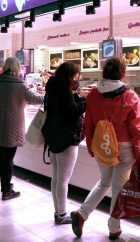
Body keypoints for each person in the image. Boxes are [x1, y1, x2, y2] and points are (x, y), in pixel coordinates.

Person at [71, 57, 140, 240]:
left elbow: (88, 122)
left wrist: (90, 146)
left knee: (105, 182)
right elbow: (137, 129)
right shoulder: (130, 96)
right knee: (118, 188)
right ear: (122, 74)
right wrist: (139, 154)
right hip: (124, 149)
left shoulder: (94, 94)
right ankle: (114, 228)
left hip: (100, 144)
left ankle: (82, 214)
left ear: (104, 73)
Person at [0, 57, 43, 200]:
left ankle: (6, 185)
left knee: (3, 157)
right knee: (8, 158)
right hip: (13, 127)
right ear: (17, 68)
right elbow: (37, 99)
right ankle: (6, 189)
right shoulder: (21, 85)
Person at [42, 62, 86, 224]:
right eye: (75, 76)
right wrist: (84, 101)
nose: (76, 79)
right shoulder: (64, 92)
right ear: (68, 77)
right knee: (63, 180)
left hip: (53, 137)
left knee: (57, 178)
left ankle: (58, 212)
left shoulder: (52, 89)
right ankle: (61, 214)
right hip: (66, 138)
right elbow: (73, 112)